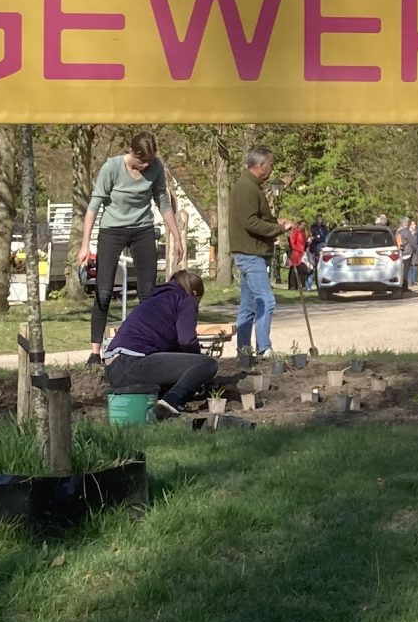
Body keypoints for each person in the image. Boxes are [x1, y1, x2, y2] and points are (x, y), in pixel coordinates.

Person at [81, 131, 180, 362]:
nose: (145, 165)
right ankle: (95, 352)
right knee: (104, 292)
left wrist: (176, 236)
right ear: (131, 152)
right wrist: (85, 244)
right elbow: (94, 205)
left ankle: (148, 347)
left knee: (148, 293)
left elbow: (162, 202)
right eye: (142, 160)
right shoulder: (111, 167)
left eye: (149, 161)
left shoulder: (156, 167)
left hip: (142, 229)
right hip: (112, 230)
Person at [103, 267, 218, 413]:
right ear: (195, 293)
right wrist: (198, 369)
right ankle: (172, 401)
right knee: (208, 364)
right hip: (131, 362)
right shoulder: (186, 300)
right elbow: (187, 340)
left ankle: (162, 399)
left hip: (114, 368)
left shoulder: (156, 299)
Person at [225, 146, 280, 364]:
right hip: (250, 253)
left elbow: (256, 219)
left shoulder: (250, 186)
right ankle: (264, 348)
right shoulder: (246, 188)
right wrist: (277, 229)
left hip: (250, 251)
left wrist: (276, 224)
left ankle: (244, 352)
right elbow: (250, 222)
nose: (272, 169)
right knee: (266, 300)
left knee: (248, 306)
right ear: (261, 165)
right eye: (270, 165)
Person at [285, 218, 309, 292]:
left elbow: (303, 242)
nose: (303, 226)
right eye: (302, 225)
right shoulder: (295, 231)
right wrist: (297, 249)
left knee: (299, 268)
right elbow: (292, 242)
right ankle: (293, 285)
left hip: (301, 252)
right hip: (296, 252)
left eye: (304, 225)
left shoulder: (303, 233)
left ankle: (299, 285)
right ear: (299, 225)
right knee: (294, 268)